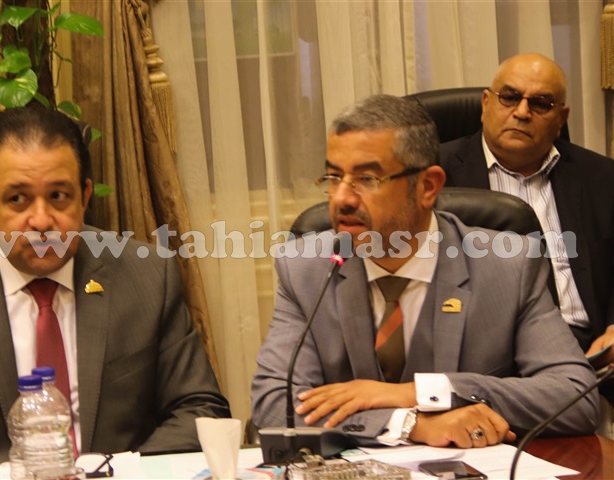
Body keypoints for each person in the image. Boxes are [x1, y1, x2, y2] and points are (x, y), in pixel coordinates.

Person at [0, 108, 230, 478]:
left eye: (58, 196)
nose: (41, 221)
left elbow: (199, 409)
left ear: (84, 196)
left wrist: (116, 473)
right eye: (17, 199)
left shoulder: (146, 276)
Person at [251, 95, 599, 450]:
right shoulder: (305, 267)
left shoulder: (509, 267)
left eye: (366, 178)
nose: (342, 198)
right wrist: (409, 423)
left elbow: (575, 396)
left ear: (428, 186)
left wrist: (422, 392)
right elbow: (275, 404)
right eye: (334, 177)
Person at [438, 53, 614, 371]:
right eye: (509, 97)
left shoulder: (602, 177)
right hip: (485, 361)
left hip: (589, 353)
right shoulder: (433, 175)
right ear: (485, 104)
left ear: (561, 118)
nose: (521, 112)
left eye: (541, 103)